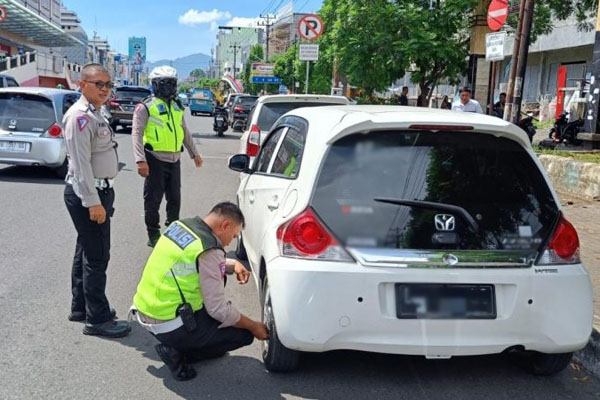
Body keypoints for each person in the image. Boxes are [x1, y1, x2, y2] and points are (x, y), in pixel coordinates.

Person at [130, 202, 269, 381]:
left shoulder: (181, 227)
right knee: (242, 335)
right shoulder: (210, 249)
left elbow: (192, 263)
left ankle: (179, 344)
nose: (229, 242)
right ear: (225, 225)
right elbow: (218, 309)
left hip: (145, 310)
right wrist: (253, 325)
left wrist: (232, 265)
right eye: (233, 236)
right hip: (169, 323)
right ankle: (178, 353)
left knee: (219, 321)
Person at [63, 63, 131, 338]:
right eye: (98, 84)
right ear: (82, 85)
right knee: (97, 256)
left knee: (85, 250)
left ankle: (81, 307)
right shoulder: (80, 117)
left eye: (108, 84)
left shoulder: (97, 113)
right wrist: (93, 202)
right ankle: (98, 319)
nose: (104, 89)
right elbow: (80, 165)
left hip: (99, 191)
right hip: (89, 193)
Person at [132, 66, 203, 248]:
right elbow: (137, 134)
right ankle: (153, 233)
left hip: (174, 159)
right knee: (153, 199)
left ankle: (172, 231)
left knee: (175, 198)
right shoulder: (145, 107)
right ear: (155, 85)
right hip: (154, 158)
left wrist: (194, 153)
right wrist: (140, 160)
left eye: (172, 83)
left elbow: (184, 130)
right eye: (164, 84)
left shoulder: (178, 106)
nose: (169, 88)